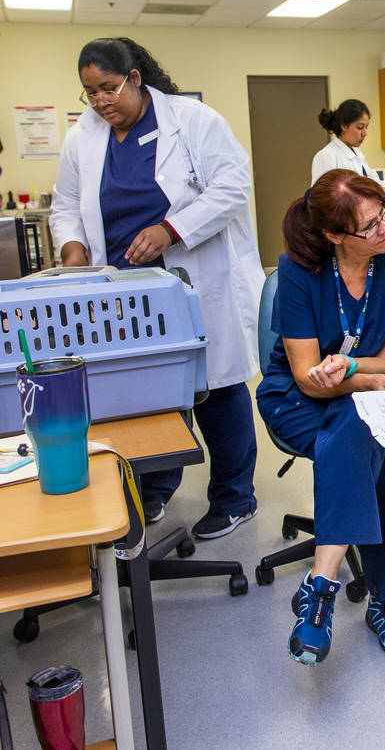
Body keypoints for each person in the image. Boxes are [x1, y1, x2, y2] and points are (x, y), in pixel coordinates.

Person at [50, 37, 264, 539]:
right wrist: (73, 249)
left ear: (135, 79)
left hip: (190, 283)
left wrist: (171, 230)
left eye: (109, 88)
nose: (101, 102)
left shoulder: (191, 121)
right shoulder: (83, 136)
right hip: (122, 292)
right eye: (91, 92)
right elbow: (65, 203)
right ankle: (154, 490)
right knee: (144, 393)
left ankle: (235, 498)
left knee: (215, 387)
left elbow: (233, 185)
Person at [256, 170, 385, 666]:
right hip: (299, 398)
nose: (384, 231)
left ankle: (321, 588)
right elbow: (308, 377)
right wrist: (358, 380)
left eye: (384, 216)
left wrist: (354, 370)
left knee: (361, 425)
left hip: (380, 385)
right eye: (369, 226)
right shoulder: (297, 271)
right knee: (370, 442)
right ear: (333, 235)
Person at [311, 98, 385, 219]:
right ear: (344, 126)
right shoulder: (327, 156)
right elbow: (321, 202)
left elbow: (377, 186)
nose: (365, 133)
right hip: (343, 226)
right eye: (360, 127)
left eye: (366, 127)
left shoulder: (357, 154)